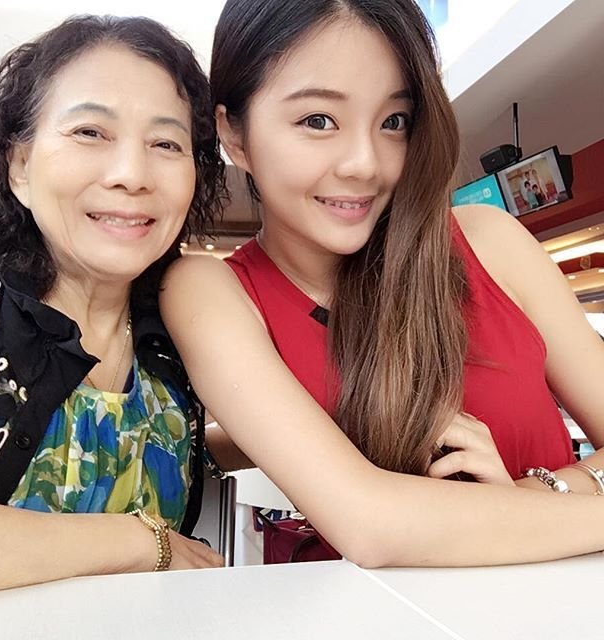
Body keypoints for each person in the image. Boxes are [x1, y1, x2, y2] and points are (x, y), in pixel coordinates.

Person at [161, 0, 604, 568]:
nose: (365, 164)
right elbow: (372, 525)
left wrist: (537, 492)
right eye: (318, 120)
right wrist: (521, 513)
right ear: (234, 134)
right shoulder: (210, 290)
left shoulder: (489, 241)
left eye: (393, 121)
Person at [0, 14, 226, 594]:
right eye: (90, 132)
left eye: (165, 143)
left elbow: (133, 441)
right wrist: (140, 542)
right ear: (20, 165)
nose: (131, 175)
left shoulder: (172, 339)